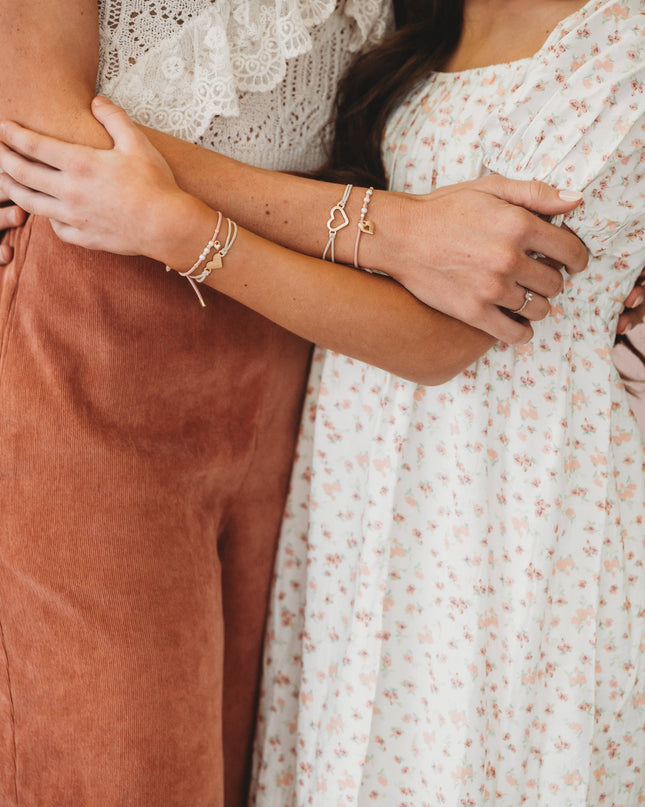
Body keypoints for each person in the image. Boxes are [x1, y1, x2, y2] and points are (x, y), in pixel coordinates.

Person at [0, 1, 594, 805]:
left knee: (250, 763)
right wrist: (383, 232)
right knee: (123, 773)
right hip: (95, 330)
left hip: (296, 353)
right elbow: (46, 133)